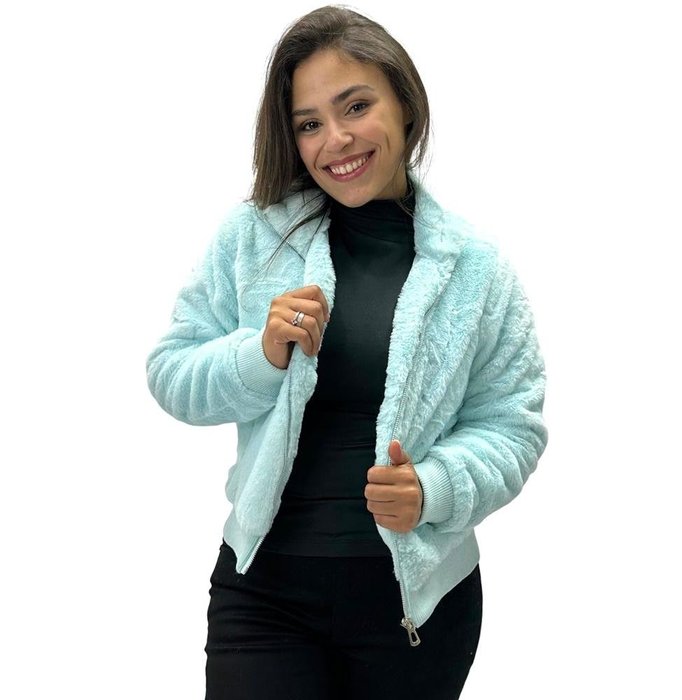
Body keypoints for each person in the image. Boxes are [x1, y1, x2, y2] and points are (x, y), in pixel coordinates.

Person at [145, 5, 548, 699]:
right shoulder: (254, 236)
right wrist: (259, 355)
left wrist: (435, 487)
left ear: (405, 102)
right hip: (264, 590)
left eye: (356, 106)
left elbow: (513, 424)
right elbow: (171, 370)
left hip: (415, 607)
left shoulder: (477, 270)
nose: (336, 139)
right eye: (308, 124)